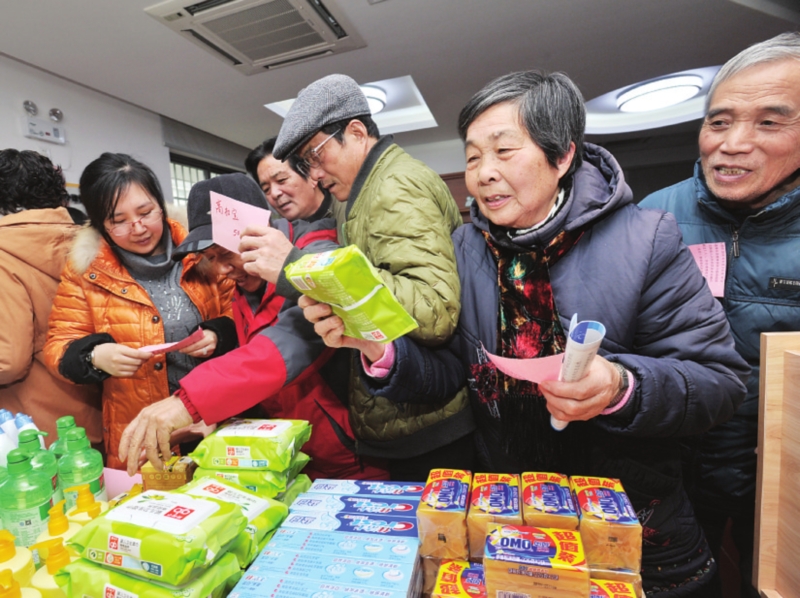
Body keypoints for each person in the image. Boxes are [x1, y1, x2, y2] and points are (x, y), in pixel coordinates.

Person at [302, 70, 750, 596]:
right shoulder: (467, 248)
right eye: (473, 157)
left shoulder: (645, 238)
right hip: (512, 520)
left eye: (504, 151)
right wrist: (380, 349)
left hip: (627, 523)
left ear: (562, 156)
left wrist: (619, 387)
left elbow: (719, 382)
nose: (484, 174)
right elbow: (453, 374)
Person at [238, 74, 475, 481]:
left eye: (315, 156)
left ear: (357, 133)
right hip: (406, 411)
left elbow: (434, 310)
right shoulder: (360, 192)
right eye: (304, 165)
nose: (314, 175)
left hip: (428, 423)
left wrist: (295, 266)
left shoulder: (395, 185)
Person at [640, 32, 800, 598]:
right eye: (719, 121)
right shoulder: (652, 217)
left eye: (769, 122)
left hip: (783, 471)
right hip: (672, 463)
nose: (733, 144)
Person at [117, 173, 387, 481]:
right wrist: (215, 416)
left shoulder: (314, 252)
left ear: (260, 230)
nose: (222, 269)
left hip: (349, 456)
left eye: (226, 253)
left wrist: (189, 402)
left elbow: (289, 343)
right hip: (287, 454)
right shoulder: (244, 286)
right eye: (210, 258)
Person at [43, 153, 236, 469]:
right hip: (141, 435)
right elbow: (58, 344)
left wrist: (218, 334)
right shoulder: (86, 271)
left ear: (160, 204)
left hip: (215, 418)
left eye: (146, 212)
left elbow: (238, 313)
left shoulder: (201, 251)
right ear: (101, 225)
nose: (138, 228)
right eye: (118, 221)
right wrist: (94, 356)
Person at [0, 149, 102, 447]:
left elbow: (8, 360)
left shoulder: (4, 254)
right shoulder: (87, 242)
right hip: (96, 416)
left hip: (38, 431)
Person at [244, 136, 340, 223]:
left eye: (281, 180)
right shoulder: (277, 232)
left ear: (310, 174)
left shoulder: (345, 211)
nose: (274, 193)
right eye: (266, 189)